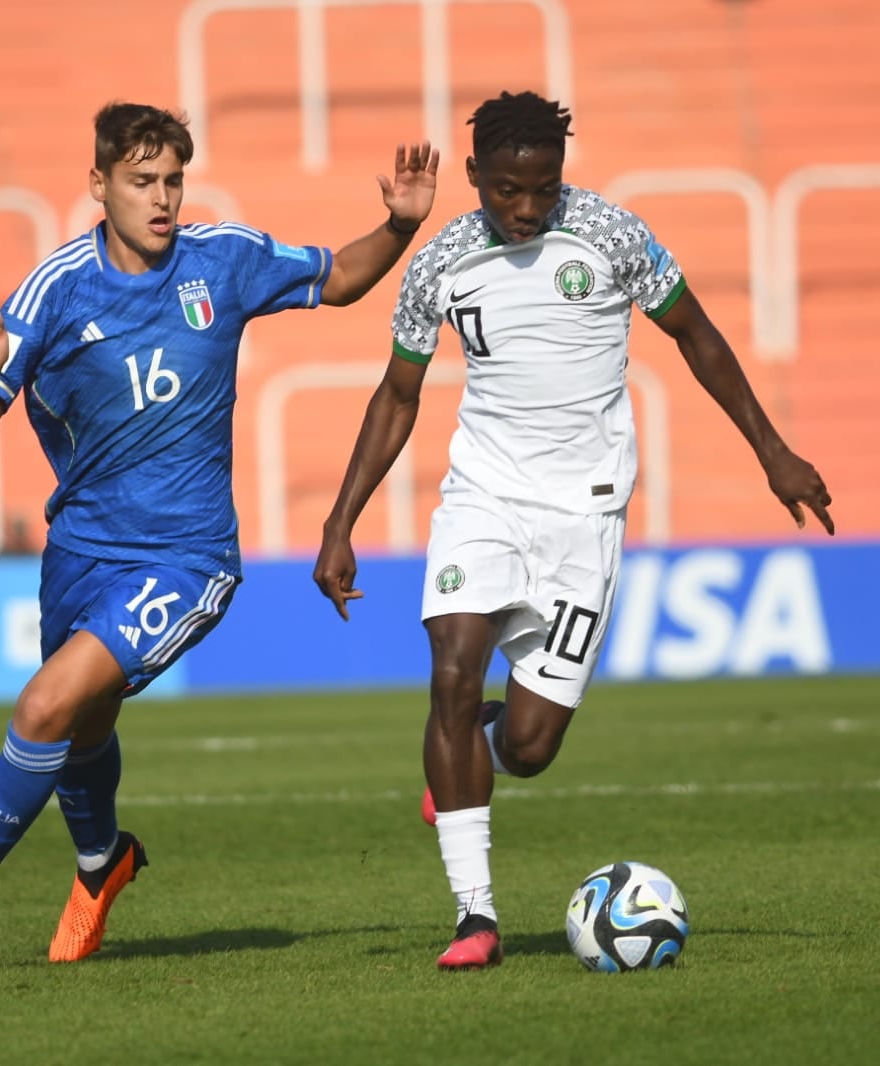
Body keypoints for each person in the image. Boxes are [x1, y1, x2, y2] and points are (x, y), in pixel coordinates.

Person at [0, 101, 440, 960]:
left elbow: (340, 277)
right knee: (84, 726)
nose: (162, 197)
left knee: (45, 704)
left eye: (173, 179)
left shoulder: (225, 261)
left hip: (187, 555)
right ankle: (102, 863)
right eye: (142, 181)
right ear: (97, 185)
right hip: (80, 551)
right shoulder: (56, 288)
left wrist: (396, 227)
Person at [312, 91, 833, 971]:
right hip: (480, 499)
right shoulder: (439, 261)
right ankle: (473, 917)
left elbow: (695, 335)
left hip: (583, 515)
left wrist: (771, 451)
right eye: (506, 191)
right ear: (473, 175)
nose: (524, 209)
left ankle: (475, 748)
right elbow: (397, 394)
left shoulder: (611, 235)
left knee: (529, 747)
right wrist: (339, 521)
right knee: (449, 670)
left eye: (542, 191)